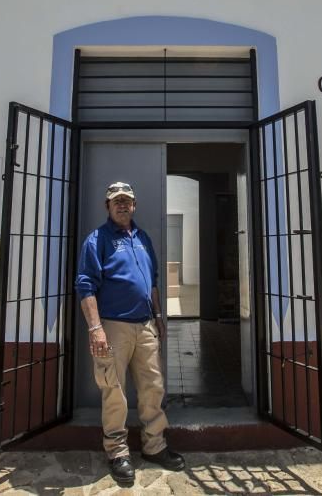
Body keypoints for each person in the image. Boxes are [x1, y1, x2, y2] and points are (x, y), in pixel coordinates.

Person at [75, 181, 186, 486]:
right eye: (116, 201)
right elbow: (85, 285)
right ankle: (117, 452)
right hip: (112, 328)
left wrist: (159, 315)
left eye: (127, 200)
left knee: (153, 386)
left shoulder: (143, 238)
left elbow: (152, 282)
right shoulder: (96, 240)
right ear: (107, 207)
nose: (122, 205)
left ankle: (154, 446)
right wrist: (95, 328)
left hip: (145, 325)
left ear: (134, 205)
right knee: (114, 390)